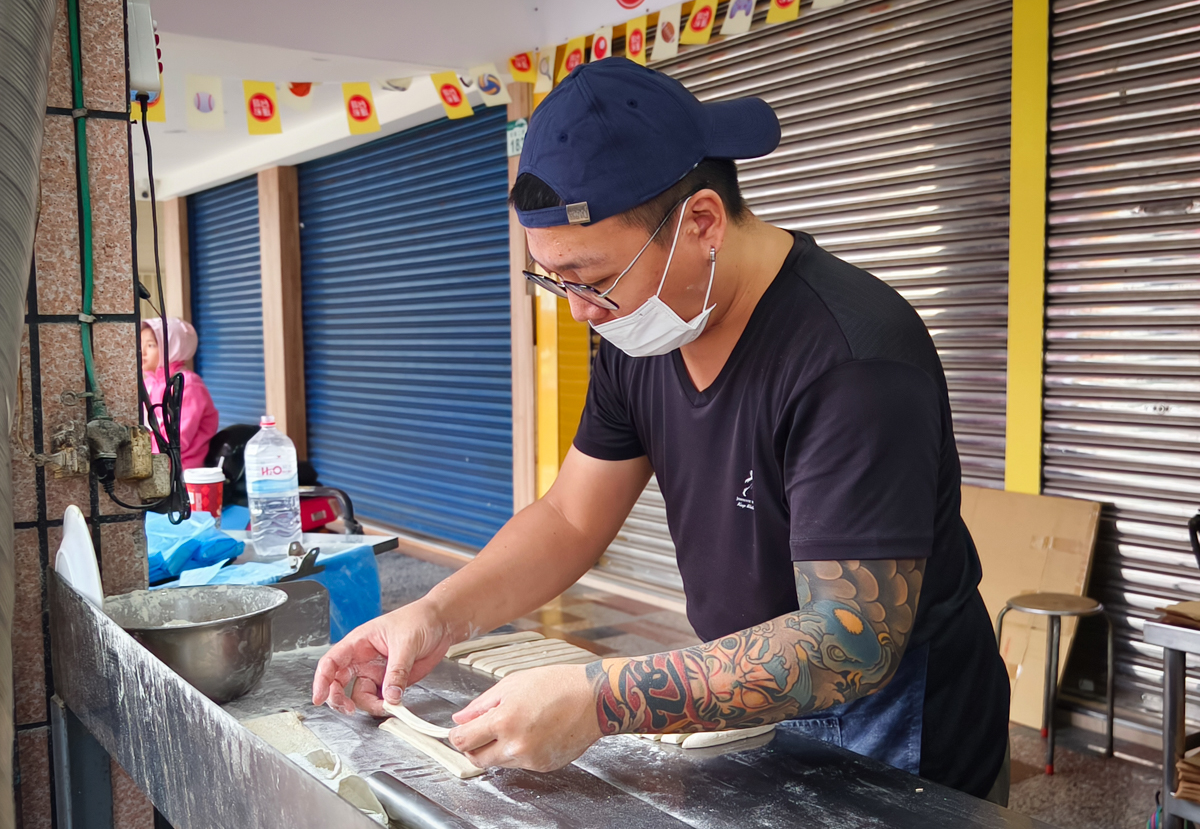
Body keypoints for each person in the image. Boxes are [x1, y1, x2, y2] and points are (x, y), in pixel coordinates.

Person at [312, 57, 1011, 801]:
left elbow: (850, 639)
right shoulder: (637, 333)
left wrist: (603, 697)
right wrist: (436, 613)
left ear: (701, 222)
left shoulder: (852, 358)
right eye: (552, 279)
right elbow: (571, 516)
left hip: (895, 726)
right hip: (753, 697)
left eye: (591, 277)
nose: (577, 309)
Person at [141, 317, 219, 471]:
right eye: (140, 343)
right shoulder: (149, 384)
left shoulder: (187, 384)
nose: (141, 351)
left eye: (151, 345)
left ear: (172, 348)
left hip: (182, 475)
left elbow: (176, 439)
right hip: (156, 468)